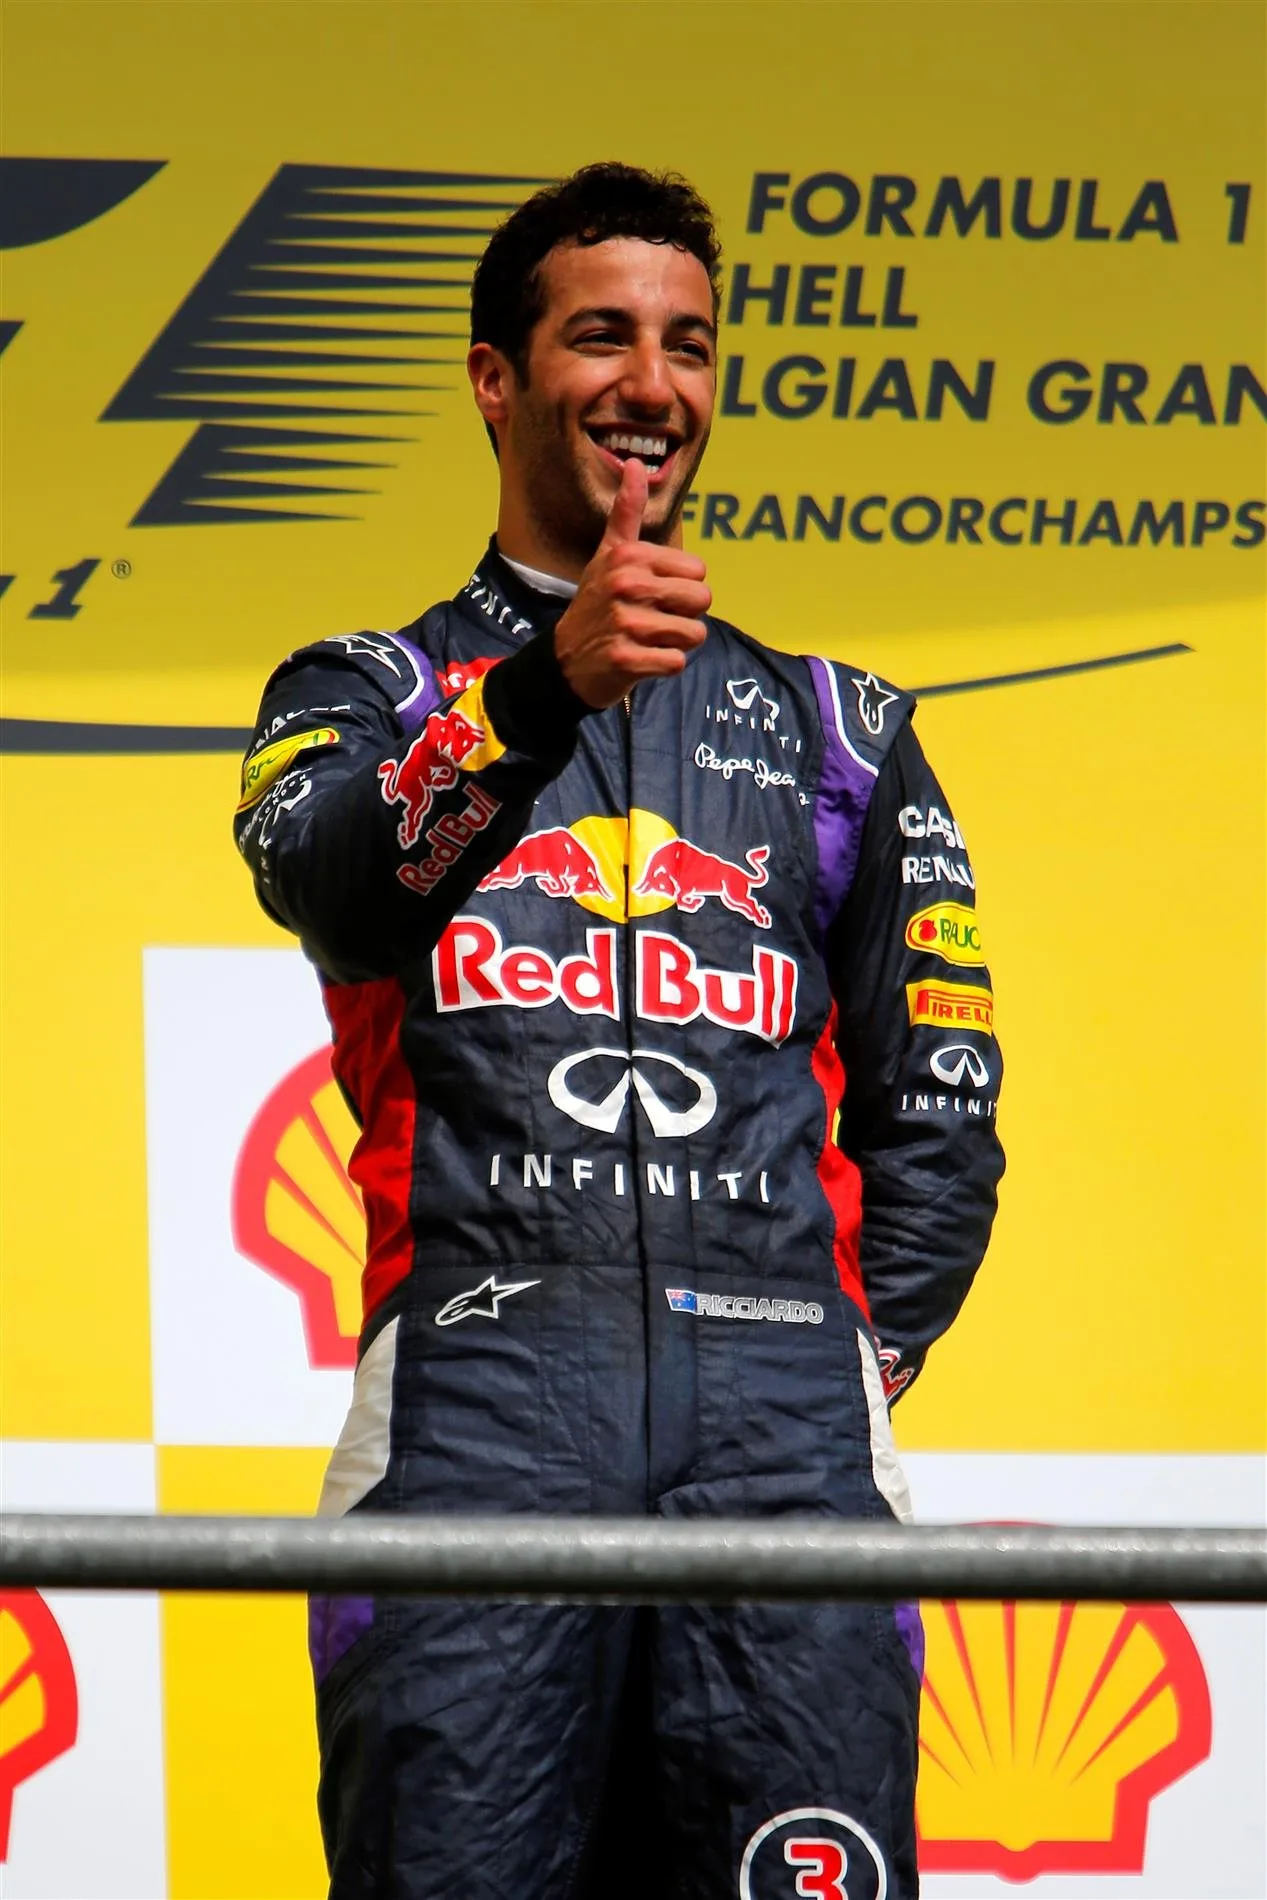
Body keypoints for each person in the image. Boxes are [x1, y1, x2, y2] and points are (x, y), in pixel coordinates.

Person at [235, 162, 1004, 1900]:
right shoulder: (360, 690)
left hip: (784, 1445)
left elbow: (938, 1108)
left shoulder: (844, 733)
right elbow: (339, 893)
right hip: (472, 1407)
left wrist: (827, 1375)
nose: (651, 383)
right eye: (600, 336)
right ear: (497, 378)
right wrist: (540, 693)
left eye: (689, 345)